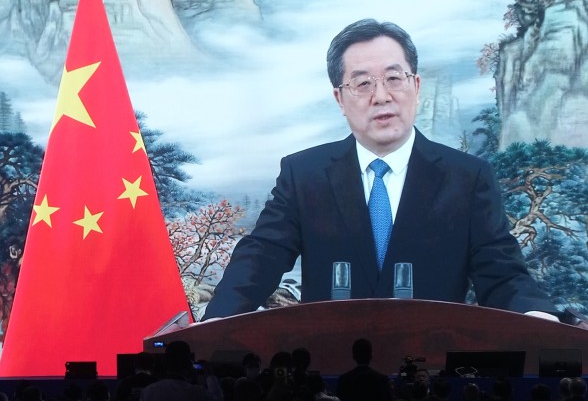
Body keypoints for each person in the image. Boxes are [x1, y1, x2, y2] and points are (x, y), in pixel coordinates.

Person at [204, 18, 558, 320]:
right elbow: (261, 256)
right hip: (329, 365)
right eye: (362, 84)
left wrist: (536, 316)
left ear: (415, 86)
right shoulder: (304, 175)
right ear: (340, 99)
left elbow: (502, 274)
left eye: (394, 78)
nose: (381, 96)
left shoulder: (467, 177)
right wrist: (217, 320)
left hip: (433, 363)